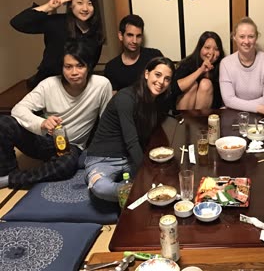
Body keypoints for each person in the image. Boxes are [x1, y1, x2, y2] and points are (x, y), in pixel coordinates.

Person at [0, 41, 112, 189]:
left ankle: (11, 179)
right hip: (43, 140)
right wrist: (42, 123)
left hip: (70, 147)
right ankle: (7, 172)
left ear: (89, 66)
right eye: (68, 66)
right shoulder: (49, 84)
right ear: (62, 67)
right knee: (4, 123)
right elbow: (19, 109)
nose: (74, 72)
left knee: (67, 165)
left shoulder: (101, 85)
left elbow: (108, 120)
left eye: (80, 66)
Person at [84, 57, 175, 202]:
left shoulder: (157, 100)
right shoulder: (126, 98)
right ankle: (134, 191)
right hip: (104, 159)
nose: (161, 82)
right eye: (157, 75)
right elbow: (131, 142)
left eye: (167, 79)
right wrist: (146, 174)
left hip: (129, 159)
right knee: (101, 187)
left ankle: (133, 191)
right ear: (147, 74)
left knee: (168, 174)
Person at [10, 0, 105, 89]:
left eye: (90, 3)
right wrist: (48, 6)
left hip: (76, 88)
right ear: (70, 5)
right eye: (80, 3)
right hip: (47, 85)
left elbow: (90, 65)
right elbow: (18, 23)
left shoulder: (96, 33)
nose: (85, 8)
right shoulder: (57, 23)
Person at [219, 17, 264, 114]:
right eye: (242, 37)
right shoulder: (226, 63)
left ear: (256, 37)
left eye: (251, 36)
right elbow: (228, 100)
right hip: (235, 114)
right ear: (234, 37)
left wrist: (237, 104)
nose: (246, 41)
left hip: (261, 115)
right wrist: (258, 108)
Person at [104, 14, 163, 91]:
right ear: (121, 36)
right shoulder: (112, 67)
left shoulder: (154, 56)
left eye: (138, 36)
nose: (134, 41)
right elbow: (114, 98)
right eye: (130, 35)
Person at [174, 31, 225, 110]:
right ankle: (185, 121)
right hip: (182, 111)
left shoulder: (223, 66)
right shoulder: (187, 63)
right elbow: (175, 88)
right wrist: (200, 70)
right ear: (200, 48)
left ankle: (198, 121)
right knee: (192, 85)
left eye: (216, 49)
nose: (211, 53)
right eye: (207, 48)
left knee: (206, 83)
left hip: (210, 113)